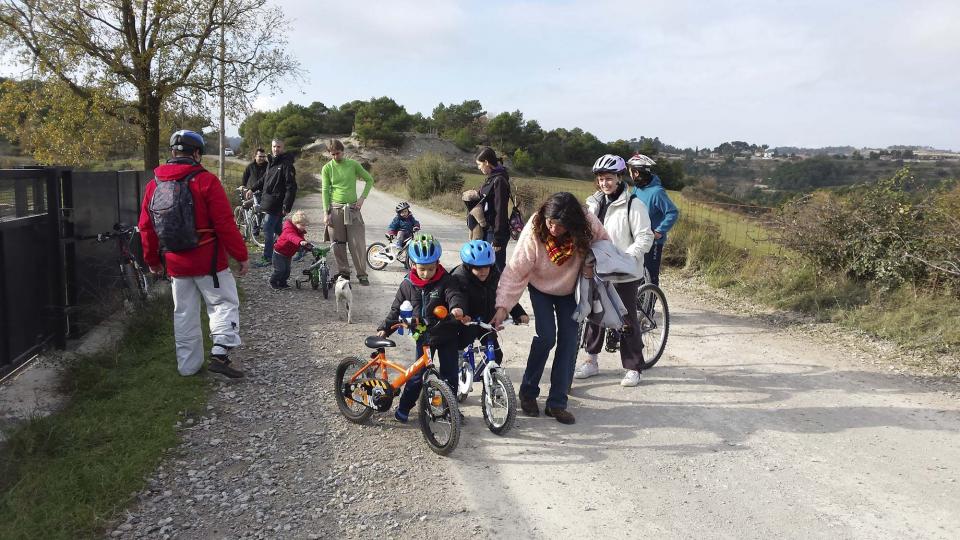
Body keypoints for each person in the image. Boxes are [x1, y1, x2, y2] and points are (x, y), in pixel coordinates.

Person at [138, 129, 249, 378]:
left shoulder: (154, 184)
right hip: (209, 260)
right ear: (196, 153)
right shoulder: (206, 181)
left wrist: (153, 261)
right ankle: (220, 354)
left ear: (173, 153)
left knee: (184, 313)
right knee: (223, 304)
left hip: (175, 262)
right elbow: (225, 224)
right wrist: (240, 255)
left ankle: (188, 367)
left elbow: (146, 227)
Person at [492, 192, 610, 425]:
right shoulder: (535, 229)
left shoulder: (587, 223)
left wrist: (590, 262)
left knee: (568, 341)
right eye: (551, 222)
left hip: (570, 291)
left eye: (561, 225)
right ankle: (528, 392)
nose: (554, 228)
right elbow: (515, 270)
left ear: (573, 223)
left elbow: (605, 244)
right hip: (540, 288)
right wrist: (502, 306)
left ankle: (557, 403)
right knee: (546, 337)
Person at [574, 155, 655, 387]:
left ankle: (633, 367)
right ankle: (591, 360)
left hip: (623, 272)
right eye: (600, 179)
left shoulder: (633, 204)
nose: (604, 183)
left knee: (626, 317)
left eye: (609, 178)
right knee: (594, 316)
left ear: (619, 178)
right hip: (596, 269)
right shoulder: (592, 204)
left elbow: (645, 236)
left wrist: (626, 257)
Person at [377, 234, 466, 423]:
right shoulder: (407, 285)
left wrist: (457, 308)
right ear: (413, 265)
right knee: (417, 377)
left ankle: (450, 408)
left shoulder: (446, 280)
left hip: (447, 333)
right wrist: (386, 327)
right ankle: (404, 407)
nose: (426, 273)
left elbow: (454, 295)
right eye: (422, 269)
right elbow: (397, 309)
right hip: (423, 336)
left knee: (450, 375)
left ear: (438, 263)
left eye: (431, 269)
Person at [452, 240, 528, 365]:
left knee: (496, 356)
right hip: (466, 323)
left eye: (486, 267)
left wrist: (518, 313)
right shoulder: (459, 278)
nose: (483, 271)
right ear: (468, 266)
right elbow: (457, 299)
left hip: (487, 322)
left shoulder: (494, 275)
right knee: (458, 353)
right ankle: (456, 376)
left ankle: (490, 381)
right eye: (478, 268)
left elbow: (504, 295)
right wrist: (462, 314)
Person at [322, 139, 375, 286]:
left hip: (352, 209)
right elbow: (325, 191)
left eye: (337, 153)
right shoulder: (327, 168)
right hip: (335, 209)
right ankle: (344, 272)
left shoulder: (353, 165)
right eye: (332, 154)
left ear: (343, 151)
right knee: (338, 244)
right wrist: (326, 213)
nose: (335, 157)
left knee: (357, 242)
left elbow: (369, 180)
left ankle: (362, 274)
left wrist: (362, 198)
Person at [626, 154, 679, 286]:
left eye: (631, 171)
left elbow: (672, 212)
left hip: (653, 241)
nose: (630, 174)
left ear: (636, 172)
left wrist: (659, 231)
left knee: (650, 274)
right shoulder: (637, 188)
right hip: (638, 238)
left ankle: (649, 307)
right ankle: (637, 304)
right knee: (636, 272)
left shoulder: (657, 192)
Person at [251, 139, 297, 267]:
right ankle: (299, 247)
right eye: (274, 146)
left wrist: (287, 205)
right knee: (279, 230)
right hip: (268, 201)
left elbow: (291, 187)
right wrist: (252, 188)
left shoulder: (286, 164)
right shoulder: (271, 162)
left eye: (279, 147)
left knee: (267, 228)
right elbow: (264, 179)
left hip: (277, 203)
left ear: (283, 147)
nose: (276, 149)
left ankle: (268, 257)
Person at [475, 146, 512, 273]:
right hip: (489, 229)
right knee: (487, 267)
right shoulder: (492, 178)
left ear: (486, 162)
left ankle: (501, 292)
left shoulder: (499, 180)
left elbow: (500, 211)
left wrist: (497, 239)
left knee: (496, 268)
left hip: (495, 232)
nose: (479, 167)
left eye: (479, 164)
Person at [270, 210, 309, 290]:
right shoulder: (288, 230)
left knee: (287, 271)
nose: (304, 227)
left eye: (305, 225)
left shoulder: (299, 231)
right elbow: (292, 237)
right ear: (295, 223)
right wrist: (300, 241)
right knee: (280, 270)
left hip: (288, 254)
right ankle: (273, 281)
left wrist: (306, 246)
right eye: (302, 225)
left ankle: (282, 283)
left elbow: (300, 239)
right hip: (279, 253)